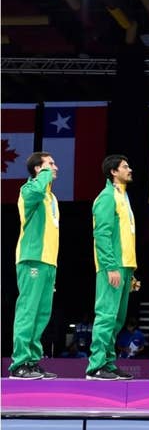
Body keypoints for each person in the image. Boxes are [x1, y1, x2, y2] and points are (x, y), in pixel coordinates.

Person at [9, 152, 60, 380]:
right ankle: (19, 364)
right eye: (50, 164)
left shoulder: (51, 197)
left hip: (49, 262)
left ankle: (32, 361)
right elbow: (37, 189)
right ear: (38, 169)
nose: (55, 167)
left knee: (41, 314)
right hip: (32, 258)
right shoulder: (29, 190)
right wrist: (44, 175)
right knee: (28, 311)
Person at [87, 155, 138, 381]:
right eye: (125, 166)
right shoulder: (107, 197)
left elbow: (125, 238)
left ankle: (108, 362)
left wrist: (131, 271)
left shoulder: (122, 197)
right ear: (113, 172)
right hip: (113, 266)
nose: (130, 169)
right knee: (106, 316)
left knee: (117, 319)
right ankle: (96, 366)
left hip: (124, 267)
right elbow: (102, 235)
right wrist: (110, 266)